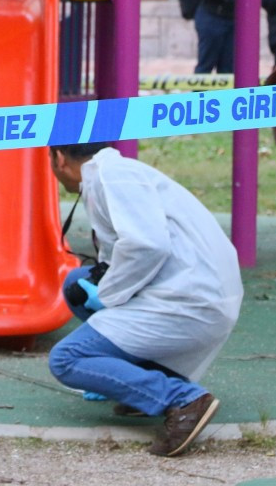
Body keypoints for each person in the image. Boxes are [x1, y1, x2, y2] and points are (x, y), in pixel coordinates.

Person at [46, 141, 243, 458]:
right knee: (77, 283)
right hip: (198, 295)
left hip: (190, 303)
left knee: (66, 359)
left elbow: (148, 246)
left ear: (58, 158)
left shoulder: (114, 178)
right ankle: (142, 384)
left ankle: (182, 400)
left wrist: (108, 296)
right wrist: (102, 285)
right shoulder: (112, 174)